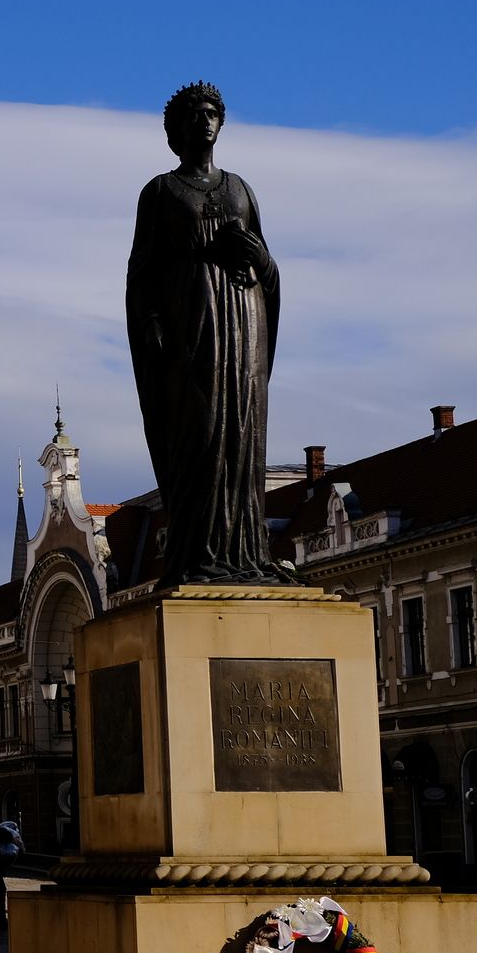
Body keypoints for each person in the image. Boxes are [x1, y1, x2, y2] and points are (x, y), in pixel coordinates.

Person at [125, 81, 284, 588]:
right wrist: (150, 322)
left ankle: (246, 553)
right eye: (195, 114)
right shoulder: (160, 192)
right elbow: (141, 273)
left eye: (213, 113)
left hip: (242, 321)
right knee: (199, 434)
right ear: (176, 130)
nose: (206, 121)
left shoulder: (240, 188)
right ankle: (198, 551)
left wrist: (258, 257)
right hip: (189, 325)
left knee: (243, 433)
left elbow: (266, 260)